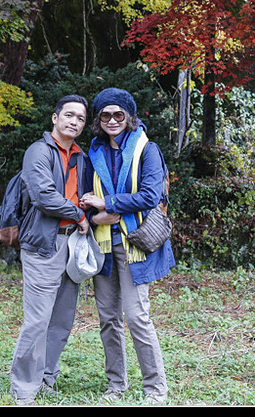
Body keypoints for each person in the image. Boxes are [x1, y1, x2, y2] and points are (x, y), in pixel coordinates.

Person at [80, 87, 174, 404]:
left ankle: (155, 389)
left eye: (118, 114)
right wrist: (95, 219)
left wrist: (108, 204)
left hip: (135, 243)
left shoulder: (148, 150)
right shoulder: (93, 151)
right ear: (98, 119)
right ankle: (115, 386)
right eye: (105, 115)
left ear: (129, 117)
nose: (112, 120)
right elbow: (84, 199)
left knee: (136, 317)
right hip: (103, 244)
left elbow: (151, 196)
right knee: (108, 319)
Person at [9, 95, 91, 405]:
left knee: (62, 319)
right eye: (68, 115)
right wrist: (79, 214)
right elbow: (44, 196)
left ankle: (47, 378)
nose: (74, 121)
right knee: (38, 319)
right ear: (54, 118)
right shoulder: (38, 152)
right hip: (44, 244)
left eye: (80, 118)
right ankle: (24, 389)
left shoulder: (81, 157)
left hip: (74, 244)